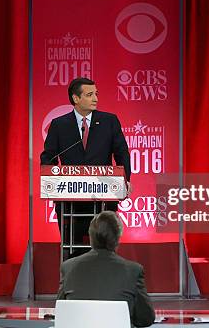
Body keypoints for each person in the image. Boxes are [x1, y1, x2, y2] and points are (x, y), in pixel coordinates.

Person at [40, 77, 131, 257]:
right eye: (89, 95)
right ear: (76, 98)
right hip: (70, 201)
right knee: (72, 249)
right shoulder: (59, 125)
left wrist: (125, 180)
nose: (96, 98)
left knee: (104, 249)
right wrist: (51, 180)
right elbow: (48, 156)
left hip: (103, 198)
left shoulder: (109, 121)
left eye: (96, 94)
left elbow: (122, 153)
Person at [57, 211, 155, 327]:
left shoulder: (68, 267)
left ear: (90, 237)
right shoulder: (133, 270)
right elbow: (145, 319)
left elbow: (61, 313)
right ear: (118, 238)